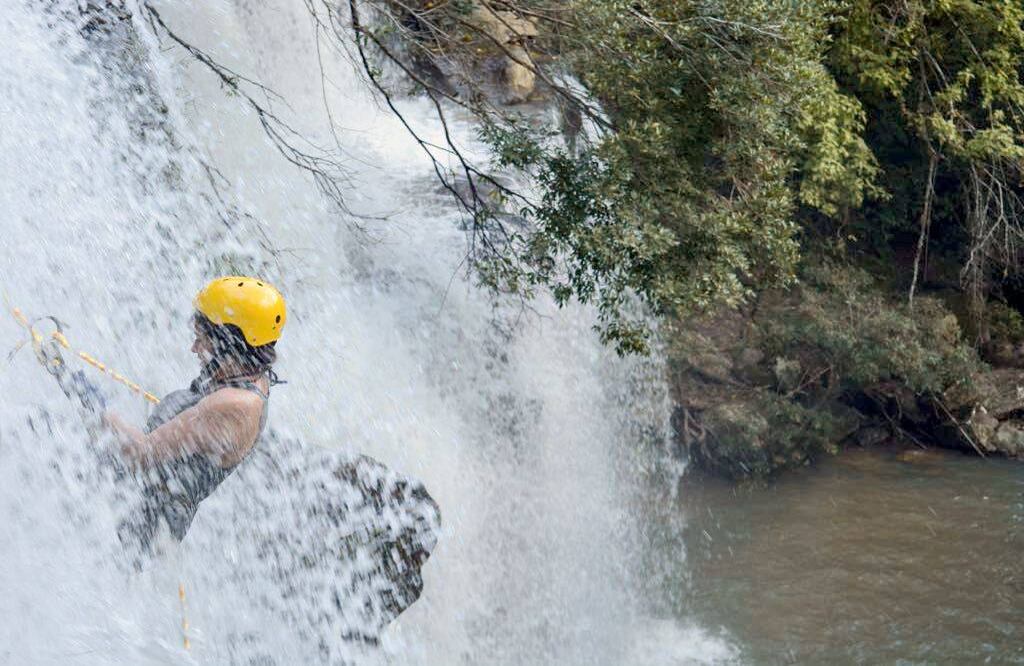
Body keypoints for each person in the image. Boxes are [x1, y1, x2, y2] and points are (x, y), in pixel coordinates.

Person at [101, 276, 286, 555]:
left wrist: (91, 402)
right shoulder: (244, 375)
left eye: (202, 340)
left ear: (230, 343)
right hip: (134, 498)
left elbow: (139, 454)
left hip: (141, 520)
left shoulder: (233, 405)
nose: (194, 349)